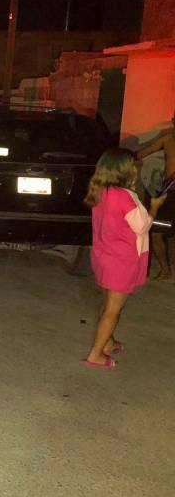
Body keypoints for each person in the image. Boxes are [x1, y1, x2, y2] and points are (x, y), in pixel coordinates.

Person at [83, 148, 167, 369]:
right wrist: (154, 208)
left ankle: (108, 343)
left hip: (103, 256)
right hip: (121, 261)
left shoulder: (101, 189)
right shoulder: (126, 197)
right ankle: (96, 354)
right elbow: (142, 226)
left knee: (107, 303)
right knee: (113, 309)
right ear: (125, 170)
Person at [134, 117, 175, 279]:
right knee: (156, 231)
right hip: (168, 192)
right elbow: (140, 154)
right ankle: (165, 270)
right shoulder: (168, 139)